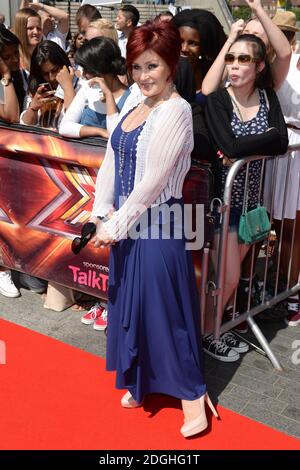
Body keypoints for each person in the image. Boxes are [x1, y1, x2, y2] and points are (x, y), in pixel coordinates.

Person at [89, 19, 218, 438]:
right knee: (131, 307)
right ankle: (140, 381)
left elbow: (152, 183)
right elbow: (112, 159)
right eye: (137, 67)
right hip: (123, 227)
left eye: (153, 66)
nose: (144, 76)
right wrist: (99, 211)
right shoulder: (132, 101)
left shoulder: (178, 111)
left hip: (159, 227)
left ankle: (193, 397)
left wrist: (116, 224)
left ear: (169, 64)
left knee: (165, 314)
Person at [204, 34, 288, 361]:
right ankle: (207, 335)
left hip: (251, 202)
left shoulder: (267, 97)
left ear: (259, 66)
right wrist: (263, 141)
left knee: (227, 279)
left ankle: (215, 328)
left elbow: (280, 143)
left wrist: (245, 149)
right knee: (226, 277)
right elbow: (233, 147)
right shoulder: (217, 101)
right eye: (231, 58)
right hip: (220, 203)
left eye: (244, 60)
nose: (235, 66)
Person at [264, 11, 300, 326]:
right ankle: (274, 284)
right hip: (270, 151)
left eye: (287, 33)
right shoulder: (264, 64)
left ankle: (291, 295)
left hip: (294, 154)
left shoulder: (294, 64)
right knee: (270, 223)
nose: (282, 38)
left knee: (290, 228)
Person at [59, 37, 130, 139]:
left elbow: (114, 136)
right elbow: (64, 127)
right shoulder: (87, 88)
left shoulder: (130, 98)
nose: (83, 74)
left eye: (87, 70)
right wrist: (99, 131)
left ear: (100, 69)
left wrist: (108, 95)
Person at [21, 40, 76, 129]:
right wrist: (33, 108)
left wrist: (68, 87)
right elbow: (25, 128)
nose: (51, 78)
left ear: (64, 64)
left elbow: (74, 122)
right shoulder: (37, 90)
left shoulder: (79, 85)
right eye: (45, 73)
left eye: (55, 70)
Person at [13, 8, 43, 74]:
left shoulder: (43, 57)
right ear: (20, 30)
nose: (36, 32)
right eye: (30, 28)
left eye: (38, 28)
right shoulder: (14, 61)